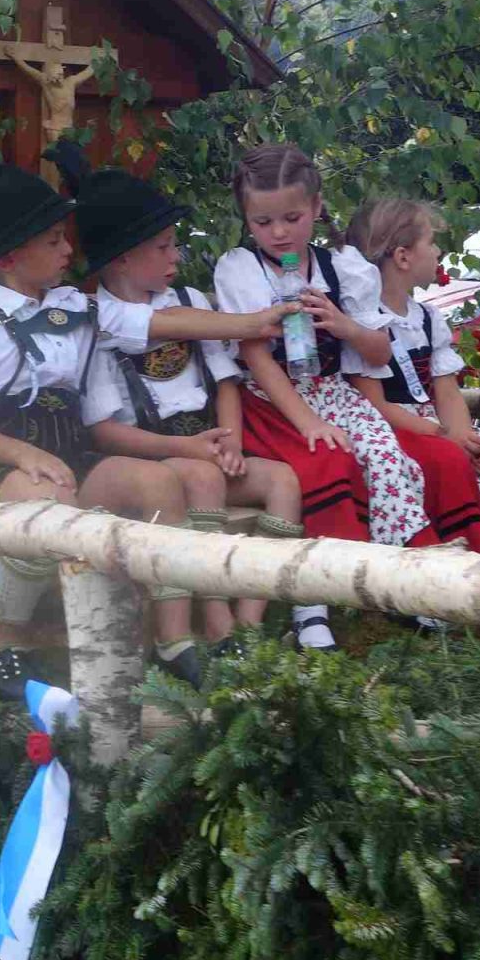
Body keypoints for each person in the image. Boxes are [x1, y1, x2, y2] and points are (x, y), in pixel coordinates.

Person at [0, 151, 290, 696]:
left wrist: (252, 323)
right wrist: (25, 455)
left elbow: (157, 321)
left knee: (158, 482)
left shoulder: (74, 307)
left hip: (75, 462)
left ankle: (174, 639)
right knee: (47, 500)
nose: (68, 251)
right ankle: (4, 639)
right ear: (8, 257)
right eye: (54, 241)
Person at [67, 150, 303, 680]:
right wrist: (192, 449)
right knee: (201, 476)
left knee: (283, 481)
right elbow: (104, 431)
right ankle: (216, 622)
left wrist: (231, 441)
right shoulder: (98, 320)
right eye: (163, 247)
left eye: (174, 243)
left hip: (210, 444)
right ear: (121, 259)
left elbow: (225, 379)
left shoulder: (189, 297)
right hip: (153, 455)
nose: (176, 256)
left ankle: (249, 627)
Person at [213, 143, 436, 653]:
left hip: (332, 390)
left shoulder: (342, 268)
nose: (278, 233)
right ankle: (310, 603)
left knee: (387, 458)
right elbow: (256, 357)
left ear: (315, 207)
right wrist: (308, 421)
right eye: (263, 222)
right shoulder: (242, 269)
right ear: (247, 220)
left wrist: (344, 325)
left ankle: (404, 581)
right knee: (325, 460)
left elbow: (379, 352)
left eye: (291, 218)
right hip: (272, 401)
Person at [345, 197, 480, 553]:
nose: (437, 251)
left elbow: (446, 392)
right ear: (403, 257)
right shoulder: (366, 325)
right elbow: (375, 405)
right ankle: (457, 561)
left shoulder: (428, 319)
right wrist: (444, 436)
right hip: (394, 430)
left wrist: (465, 437)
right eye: (431, 242)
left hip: (435, 429)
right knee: (447, 462)